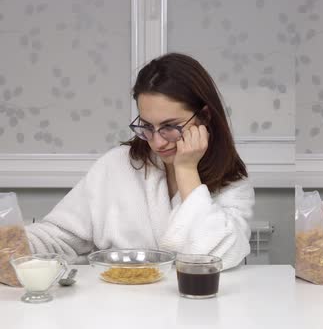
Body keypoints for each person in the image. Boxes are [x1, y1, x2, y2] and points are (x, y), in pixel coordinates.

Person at [7, 53, 254, 270]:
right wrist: (9, 243)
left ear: (205, 116)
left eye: (170, 127)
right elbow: (59, 237)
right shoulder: (116, 165)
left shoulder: (231, 181)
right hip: (119, 308)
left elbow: (215, 257)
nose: (157, 142)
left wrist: (187, 170)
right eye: (147, 127)